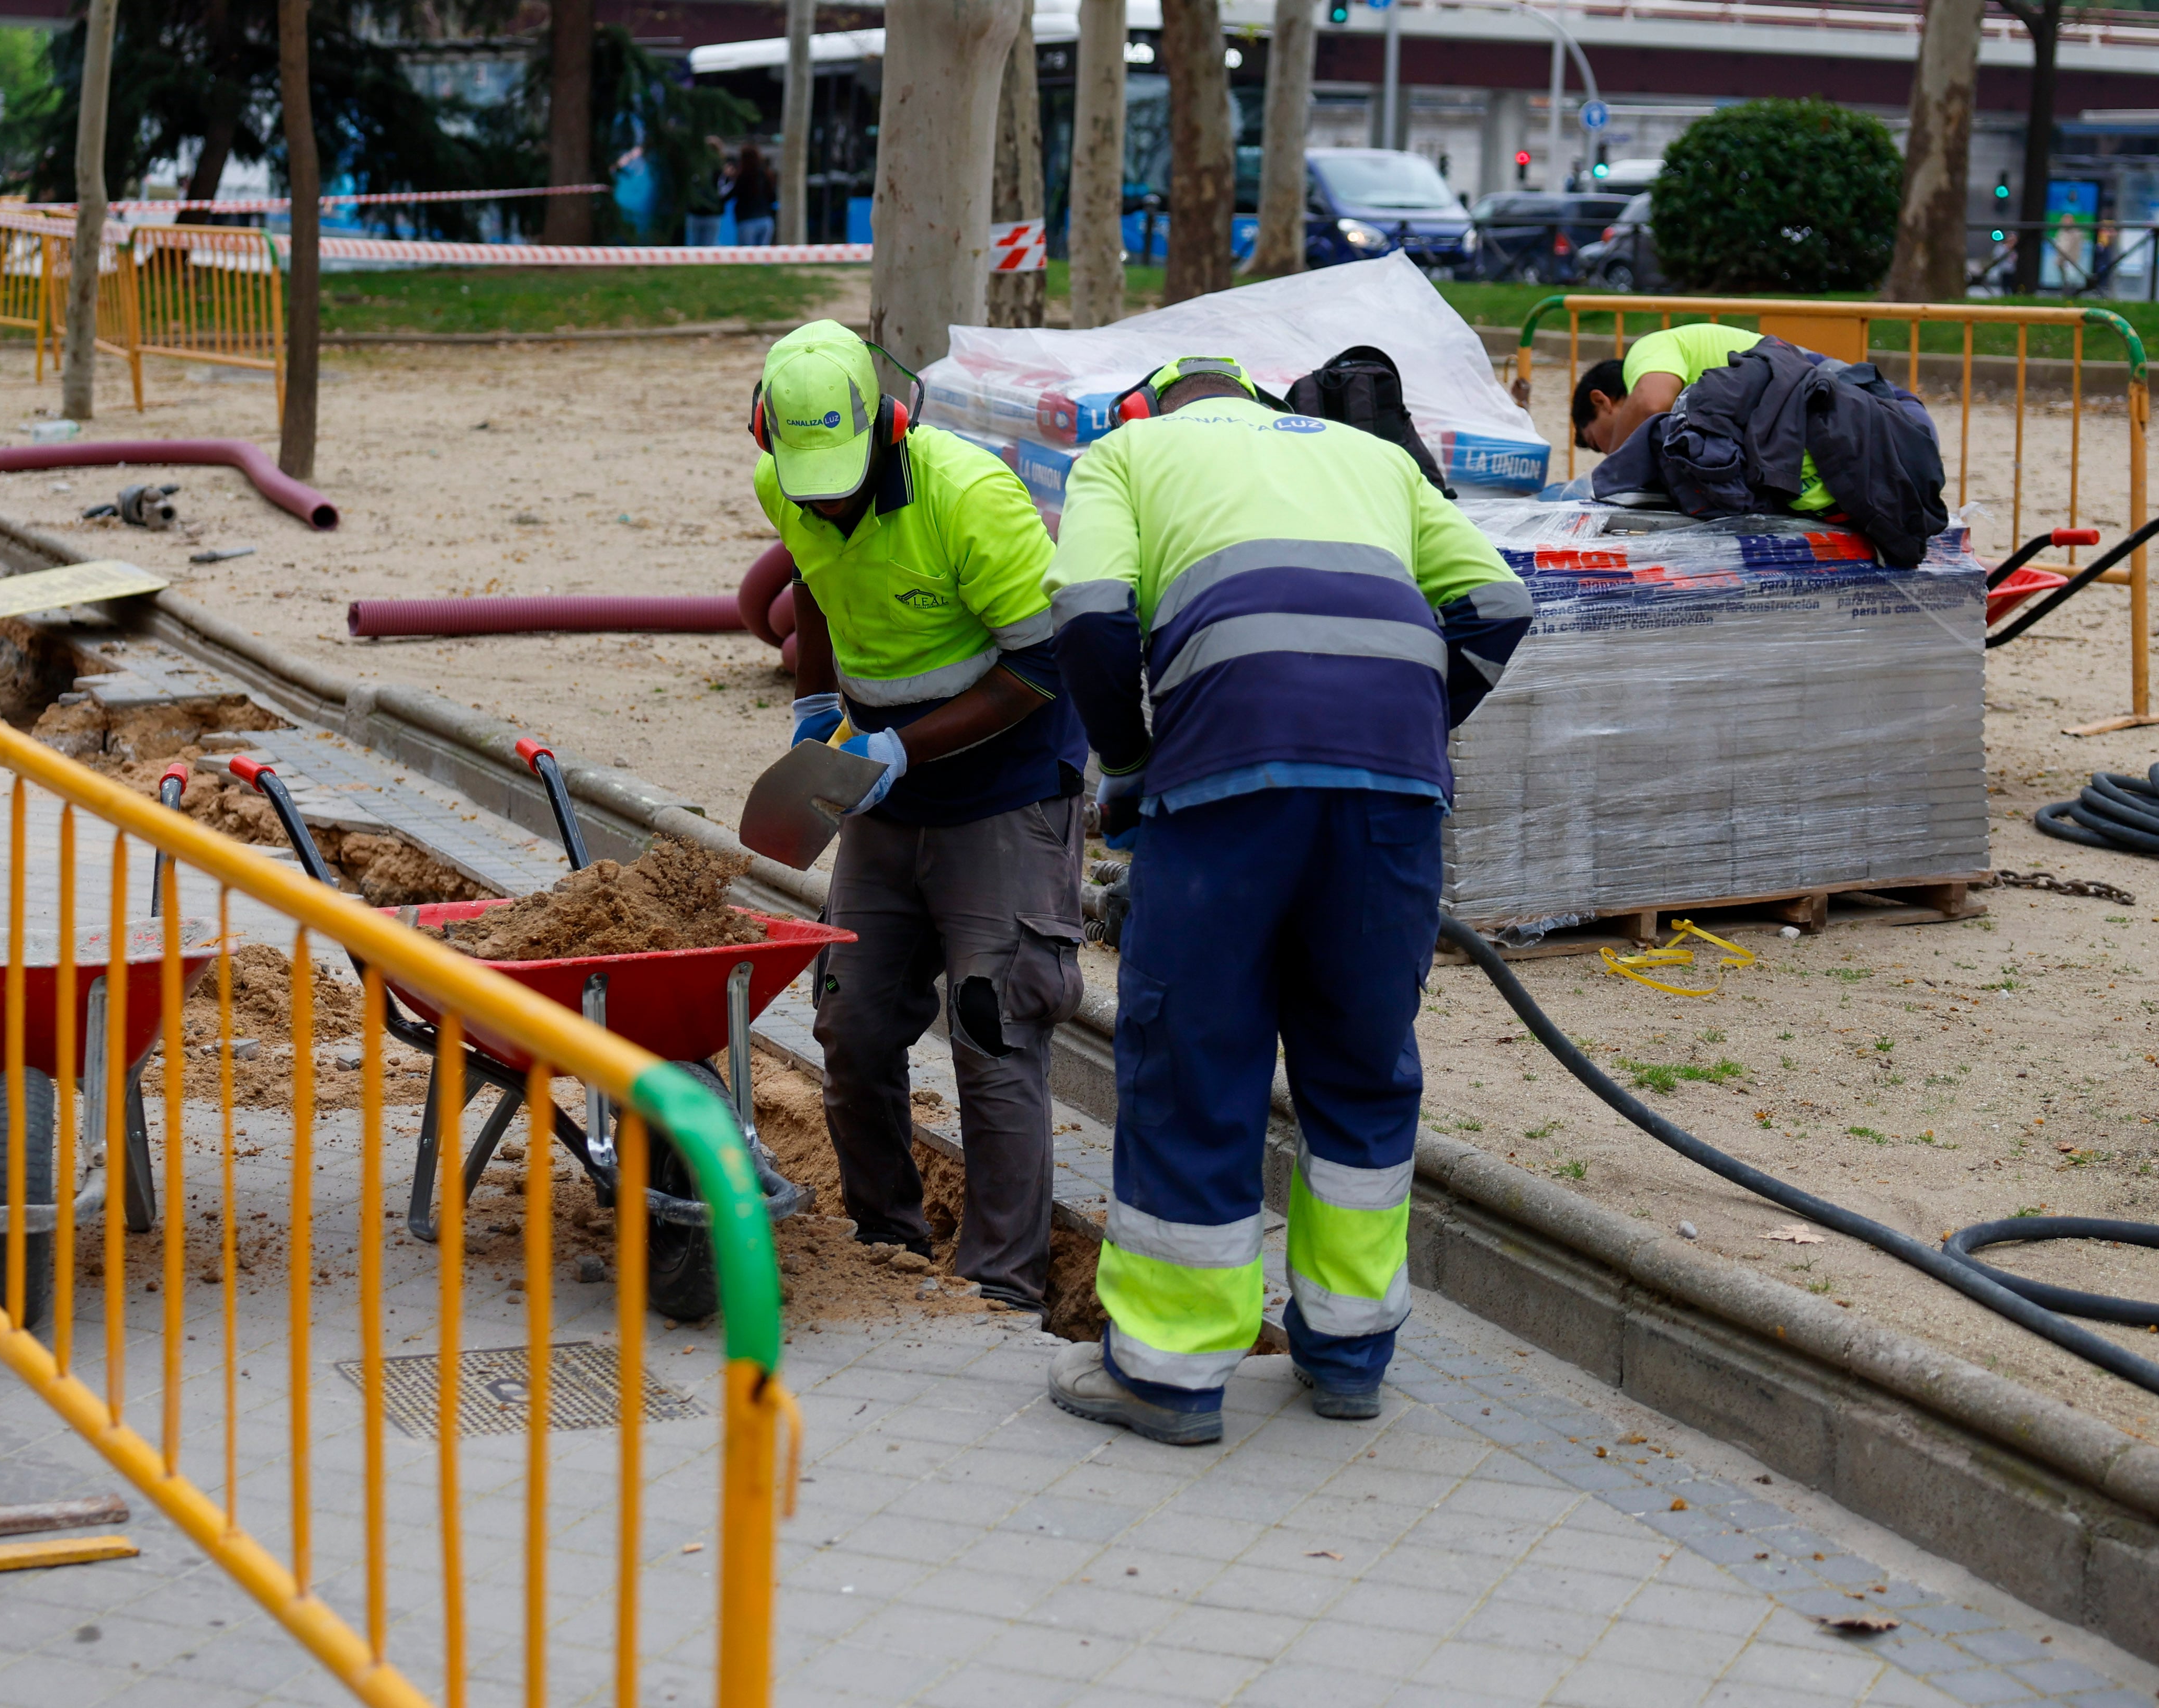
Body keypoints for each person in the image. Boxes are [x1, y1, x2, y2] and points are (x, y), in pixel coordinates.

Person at [1038, 355, 1534, 1446]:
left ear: (1154, 407)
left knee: (1196, 1062)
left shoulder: (1124, 454)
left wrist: (1128, 759)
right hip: (1394, 796)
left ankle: (1167, 1374)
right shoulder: (1370, 458)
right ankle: (1349, 1358)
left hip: (1226, 783)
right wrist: (1401, 722)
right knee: (1362, 1067)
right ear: (1262, 406)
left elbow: (1086, 613)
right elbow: (1500, 604)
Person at [752, 319, 1090, 1318]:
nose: (827, 498)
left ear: (888, 427)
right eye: (807, 479)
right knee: (850, 1023)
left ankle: (1001, 1283)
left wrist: (903, 748)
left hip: (1004, 790)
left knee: (992, 1029)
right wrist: (821, 708)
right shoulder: (789, 478)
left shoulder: (968, 497)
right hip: (880, 793)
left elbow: (1044, 662)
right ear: (764, 432)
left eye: (844, 478)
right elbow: (813, 577)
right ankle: (885, 1241)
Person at [1569, 324, 1842, 514]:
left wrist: (1614, 474)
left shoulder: (1648, 349)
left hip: (1832, 389)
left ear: (1601, 401)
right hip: (1817, 407)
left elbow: (1651, 403)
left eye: (1596, 442)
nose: (1603, 451)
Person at [686, 136, 730, 248]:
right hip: (710, 213)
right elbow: (724, 192)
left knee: (694, 247)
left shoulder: (696, 168)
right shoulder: (722, 172)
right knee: (709, 247)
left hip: (698, 212)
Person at [730, 143, 777, 246]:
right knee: (763, 256)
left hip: (747, 220)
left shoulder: (742, 176)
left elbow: (732, 194)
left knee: (747, 256)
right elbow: (773, 198)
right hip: (766, 219)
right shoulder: (766, 175)